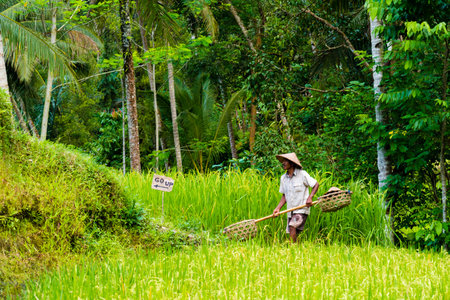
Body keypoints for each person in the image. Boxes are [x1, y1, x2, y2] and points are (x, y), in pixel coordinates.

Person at [272, 153, 319, 243]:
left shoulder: (302, 175)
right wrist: (277, 208)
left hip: (301, 209)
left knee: (292, 226)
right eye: (283, 161)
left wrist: (310, 197)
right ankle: (296, 250)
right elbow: (284, 196)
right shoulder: (283, 178)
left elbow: (316, 184)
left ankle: (292, 249)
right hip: (290, 211)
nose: (283, 163)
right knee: (292, 231)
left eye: (286, 161)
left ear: (292, 163)